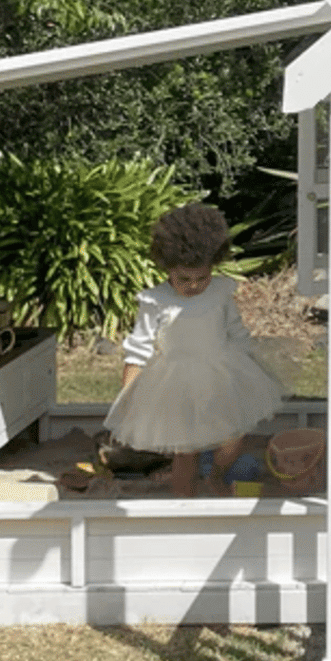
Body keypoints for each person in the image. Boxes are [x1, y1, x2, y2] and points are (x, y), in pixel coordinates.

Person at [107, 203, 278, 497]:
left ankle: (215, 476)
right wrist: (129, 396)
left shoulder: (221, 292)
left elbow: (235, 331)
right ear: (168, 267)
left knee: (233, 437)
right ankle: (182, 502)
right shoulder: (156, 301)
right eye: (184, 279)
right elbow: (139, 348)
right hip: (176, 382)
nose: (194, 285)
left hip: (220, 373)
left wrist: (248, 367)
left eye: (202, 278)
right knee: (185, 451)